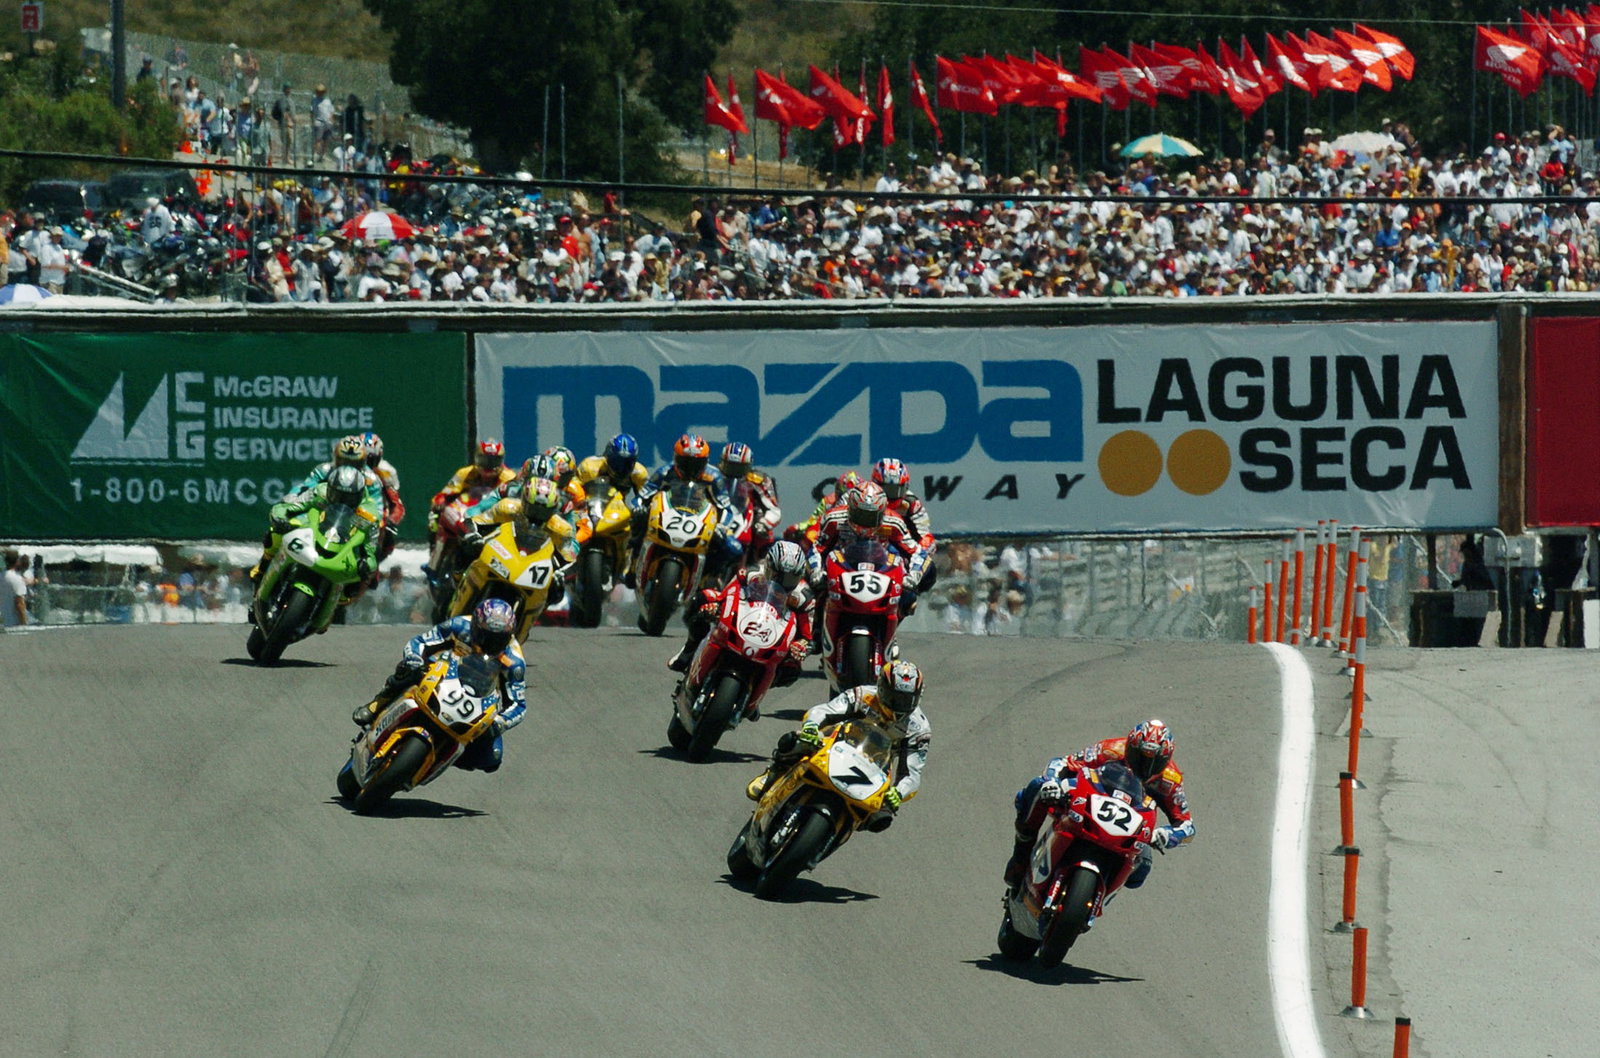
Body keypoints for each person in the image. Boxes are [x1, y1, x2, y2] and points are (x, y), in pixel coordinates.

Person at [1003, 718, 1195, 891]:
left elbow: (1187, 826)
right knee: (1037, 788)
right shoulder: (1110, 749)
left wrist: (1167, 835)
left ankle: (1099, 895)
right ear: (1130, 747)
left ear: (1166, 759)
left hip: (1129, 827)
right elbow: (1062, 763)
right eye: (1139, 756)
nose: (1144, 766)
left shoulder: (1170, 780)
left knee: (1141, 869)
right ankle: (1021, 856)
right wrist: (1052, 782)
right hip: (1089, 803)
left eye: (1154, 762)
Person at [744, 659, 931, 835]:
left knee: (882, 815)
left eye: (906, 700)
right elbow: (825, 710)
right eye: (893, 697)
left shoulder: (919, 728)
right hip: (839, 741)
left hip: (876, 766)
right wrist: (811, 726)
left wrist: (899, 792)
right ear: (881, 687)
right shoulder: (863, 695)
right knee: (796, 740)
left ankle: (833, 834)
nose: (898, 705)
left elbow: (912, 773)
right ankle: (772, 774)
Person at [350, 598, 527, 775]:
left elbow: (518, 705)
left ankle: (441, 755)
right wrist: (414, 658)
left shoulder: (513, 661)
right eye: (485, 635)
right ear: (475, 626)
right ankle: (376, 705)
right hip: (442, 674)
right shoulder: (459, 626)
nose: (490, 643)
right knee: (409, 670)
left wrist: (500, 722)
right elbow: (419, 642)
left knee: (492, 758)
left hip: (478, 699)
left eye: (499, 639)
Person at [667, 541, 815, 707]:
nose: (782, 581)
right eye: (776, 574)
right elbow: (728, 594)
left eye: (790, 578)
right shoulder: (750, 574)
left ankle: (753, 689)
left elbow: (807, 637)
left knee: (792, 670)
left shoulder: (804, 598)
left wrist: (801, 647)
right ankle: (688, 651)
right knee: (701, 600)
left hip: (775, 633)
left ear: (799, 576)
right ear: (768, 566)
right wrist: (717, 606)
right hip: (745, 615)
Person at [624, 434, 736, 587]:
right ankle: (633, 563)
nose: (690, 468)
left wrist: (721, 526)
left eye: (696, 464)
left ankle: (705, 579)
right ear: (676, 459)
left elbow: (726, 508)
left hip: (700, 521)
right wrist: (637, 507)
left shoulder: (714, 477)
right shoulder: (665, 472)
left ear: (705, 462)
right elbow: (643, 495)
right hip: (667, 514)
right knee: (639, 518)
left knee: (733, 548)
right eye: (685, 463)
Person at [251, 463, 381, 594]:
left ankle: (338, 601)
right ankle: (263, 567)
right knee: (275, 534)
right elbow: (290, 506)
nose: (341, 501)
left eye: (349, 498)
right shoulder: (320, 492)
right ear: (330, 489)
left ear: (359, 496)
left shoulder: (369, 514)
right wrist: (280, 519)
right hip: (315, 530)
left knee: (357, 582)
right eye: (337, 495)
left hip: (345, 545)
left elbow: (371, 549)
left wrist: (367, 564)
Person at [806, 480, 928, 612]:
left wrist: (912, 577)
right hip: (842, 566)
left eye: (871, 517)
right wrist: (816, 572)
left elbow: (918, 552)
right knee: (812, 591)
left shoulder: (894, 522)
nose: (865, 521)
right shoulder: (833, 519)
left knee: (909, 597)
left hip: (880, 567)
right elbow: (816, 549)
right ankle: (817, 621)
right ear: (850, 509)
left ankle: (895, 617)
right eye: (860, 515)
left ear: (882, 513)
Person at [429, 438, 516, 538]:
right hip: (465, 512)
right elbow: (444, 495)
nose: (488, 466)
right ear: (476, 458)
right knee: (440, 512)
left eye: (494, 461)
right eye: (483, 460)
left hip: (493, 516)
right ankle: (457, 537)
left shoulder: (510, 477)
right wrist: (440, 501)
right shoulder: (465, 473)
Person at [718, 442, 782, 552]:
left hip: (747, 516)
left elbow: (774, 510)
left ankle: (759, 558)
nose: (734, 472)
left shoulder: (759, 480)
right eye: (730, 466)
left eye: (739, 468)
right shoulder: (713, 475)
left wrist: (763, 524)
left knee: (763, 537)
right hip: (720, 512)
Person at [2, 549, 29, 628]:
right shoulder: (18, 579)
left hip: (4, 623)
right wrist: (24, 624)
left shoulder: (1, 576)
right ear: (17, 561)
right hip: (15, 625)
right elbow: (19, 604)